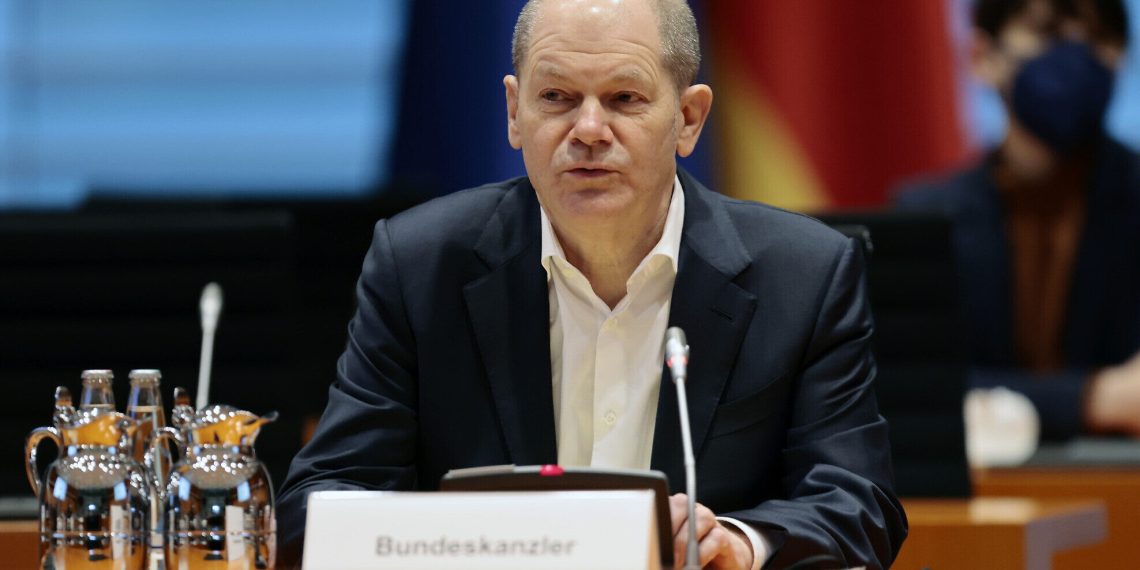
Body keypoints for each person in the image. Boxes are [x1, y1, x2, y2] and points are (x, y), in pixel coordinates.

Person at [278, 0, 906, 567]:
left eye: (625, 99)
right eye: (555, 97)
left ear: (688, 119)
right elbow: (318, 504)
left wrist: (738, 544)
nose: (588, 130)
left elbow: (860, 505)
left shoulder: (804, 275)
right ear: (514, 112)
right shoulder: (420, 265)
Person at [896, 0, 1140, 441]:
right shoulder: (923, 216)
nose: (1074, 53)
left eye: (1096, 37)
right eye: (1047, 31)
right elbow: (910, 393)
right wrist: (1092, 398)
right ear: (981, 57)